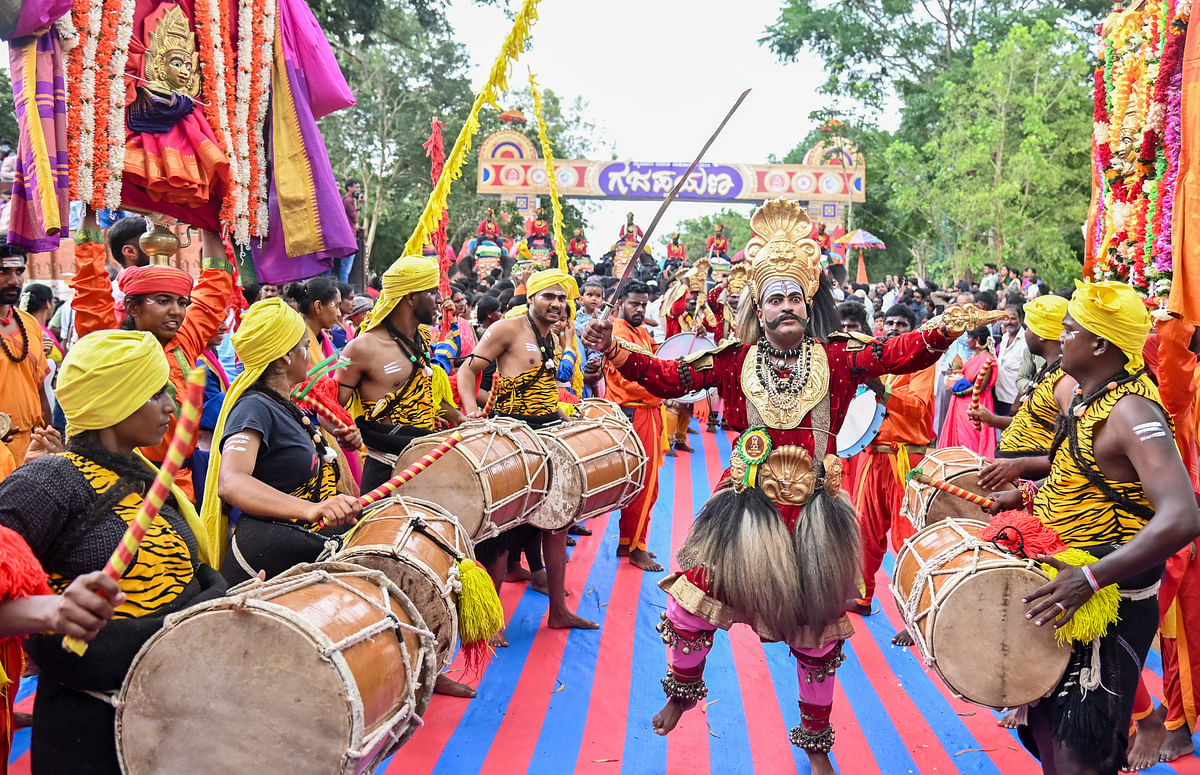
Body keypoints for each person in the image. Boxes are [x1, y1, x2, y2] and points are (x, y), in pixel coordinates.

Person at [583, 199, 980, 773]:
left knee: (817, 638)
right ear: (760, 310)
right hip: (741, 506)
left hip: (815, 511)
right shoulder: (733, 359)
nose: (787, 305)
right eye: (776, 298)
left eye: (796, 296)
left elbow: (899, 351)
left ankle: (817, 747)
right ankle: (681, 692)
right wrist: (614, 349)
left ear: (809, 304)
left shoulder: (840, 357)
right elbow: (669, 378)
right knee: (693, 605)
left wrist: (947, 326)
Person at [988, 281, 1200, 775]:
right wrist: (1019, 490)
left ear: (1101, 344)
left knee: (1080, 757)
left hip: (1109, 601)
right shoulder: (1088, 398)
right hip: (1068, 585)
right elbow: (1080, 471)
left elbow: (1183, 515)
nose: (1061, 337)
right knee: (1045, 736)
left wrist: (1089, 578)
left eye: (1071, 330)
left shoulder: (1131, 411)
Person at [0, 330, 226, 774]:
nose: (171, 406)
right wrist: (50, 611)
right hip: (88, 730)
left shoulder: (148, 480)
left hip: (172, 715)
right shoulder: (46, 483)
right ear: (113, 404)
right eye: (154, 394)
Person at [456, 268, 598, 633]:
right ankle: (492, 620)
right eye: (548, 296)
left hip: (548, 435)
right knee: (503, 530)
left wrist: (562, 411)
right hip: (513, 439)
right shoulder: (507, 329)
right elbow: (466, 373)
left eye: (561, 298)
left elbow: (544, 384)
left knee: (556, 522)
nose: (556, 303)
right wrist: (471, 411)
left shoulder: (550, 336)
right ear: (531, 296)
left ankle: (559, 611)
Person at [70, 215, 234, 501]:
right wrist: (88, 209)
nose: (176, 312)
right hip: (124, 484)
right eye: (162, 301)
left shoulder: (185, 341)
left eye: (182, 303)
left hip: (185, 482)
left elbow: (216, 286)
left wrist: (209, 218)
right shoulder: (112, 344)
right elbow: (90, 286)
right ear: (132, 307)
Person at [201, 298, 361, 583]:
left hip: (298, 541)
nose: (309, 353)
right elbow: (231, 482)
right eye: (303, 346)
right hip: (268, 555)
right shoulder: (254, 408)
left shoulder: (284, 403)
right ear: (286, 356)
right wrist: (311, 509)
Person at [338, 256, 461, 493]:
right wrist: (344, 432)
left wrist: (458, 418)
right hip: (387, 471)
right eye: (432, 292)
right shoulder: (362, 348)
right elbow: (332, 407)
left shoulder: (423, 337)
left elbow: (421, 395)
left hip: (428, 462)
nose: (439, 300)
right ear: (411, 298)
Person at [847, 304, 937, 618]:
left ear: (911, 329)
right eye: (890, 323)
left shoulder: (924, 361)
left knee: (906, 537)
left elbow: (917, 407)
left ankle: (915, 612)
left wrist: (882, 392)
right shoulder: (873, 357)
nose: (894, 328)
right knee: (864, 532)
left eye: (902, 324)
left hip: (906, 461)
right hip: (871, 458)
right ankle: (861, 596)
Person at [602, 281, 668, 569]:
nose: (640, 309)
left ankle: (630, 541)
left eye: (643, 304)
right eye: (634, 304)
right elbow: (629, 383)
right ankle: (636, 548)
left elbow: (657, 357)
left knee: (646, 485)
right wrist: (668, 388)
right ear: (621, 305)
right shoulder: (617, 333)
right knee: (643, 485)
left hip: (648, 412)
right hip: (635, 413)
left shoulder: (640, 330)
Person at [973, 295, 1069, 488]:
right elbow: (1035, 423)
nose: (1026, 333)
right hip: (1018, 475)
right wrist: (991, 419)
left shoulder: (1066, 381)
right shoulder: (1046, 371)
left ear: (1041, 333)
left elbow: (1072, 450)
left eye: (1029, 327)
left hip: (1034, 483)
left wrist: (1021, 465)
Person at [0, 246, 51, 462]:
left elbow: (39, 387)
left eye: (19, 272)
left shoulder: (30, 324)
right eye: (3, 272)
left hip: (33, 446)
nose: (14, 280)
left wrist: (50, 433)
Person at [938, 326, 997, 456]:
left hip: (975, 403)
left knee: (970, 439)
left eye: (969, 337)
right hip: (962, 403)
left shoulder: (987, 359)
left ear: (977, 339)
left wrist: (960, 392)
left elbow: (981, 386)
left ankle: (970, 468)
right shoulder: (974, 356)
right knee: (960, 438)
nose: (967, 340)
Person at [993, 303, 1028, 417]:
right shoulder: (1005, 337)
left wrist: (1017, 402)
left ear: (1021, 319)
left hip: (1013, 400)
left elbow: (1028, 376)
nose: (1008, 322)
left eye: (1013, 318)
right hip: (999, 396)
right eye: (1005, 318)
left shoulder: (1026, 342)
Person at [338, 179, 361, 284]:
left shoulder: (346, 199)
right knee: (346, 266)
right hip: (349, 237)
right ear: (349, 187)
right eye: (356, 187)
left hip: (345, 235)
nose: (358, 189)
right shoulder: (348, 200)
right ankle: (344, 290)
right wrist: (359, 205)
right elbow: (355, 218)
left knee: (345, 266)